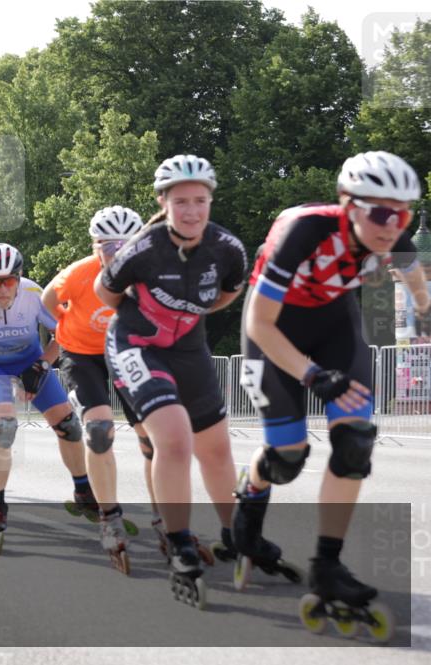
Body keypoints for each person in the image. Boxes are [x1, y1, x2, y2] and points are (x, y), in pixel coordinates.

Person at [241, 151, 427, 635]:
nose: (394, 224)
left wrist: (425, 311)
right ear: (348, 203)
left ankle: (327, 566)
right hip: (274, 332)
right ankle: (253, 486)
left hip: (333, 327)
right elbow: (258, 323)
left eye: (405, 212)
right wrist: (311, 376)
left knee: (356, 439)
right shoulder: (302, 231)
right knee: (287, 458)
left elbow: (415, 280)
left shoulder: (393, 233)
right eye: (383, 212)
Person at [95, 154, 247, 607]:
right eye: (181, 201)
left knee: (217, 449)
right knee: (176, 440)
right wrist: (151, 315)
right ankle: (180, 542)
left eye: (200, 200)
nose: (192, 211)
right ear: (163, 202)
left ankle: (235, 533)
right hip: (137, 344)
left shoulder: (227, 248)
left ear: (210, 201)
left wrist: (186, 315)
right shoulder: (142, 247)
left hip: (190, 348)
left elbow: (228, 292)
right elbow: (107, 292)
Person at [0, 243, 92, 557]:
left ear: (19, 277)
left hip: (31, 361)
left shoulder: (35, 294)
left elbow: (66, 331)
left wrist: (44, 364)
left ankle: (83, 489)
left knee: (69, 425)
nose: (2, 288)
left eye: (9, 280)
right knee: (5, 426)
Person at [42, 206, 147, 564]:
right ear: (94, 246)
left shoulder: (147, 272)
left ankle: (167, 517)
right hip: (81, 353)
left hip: (126, 350)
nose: (115, 253)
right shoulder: (79, 273)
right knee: (99, 431)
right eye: (107, 245)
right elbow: (47, 300)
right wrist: (65, 325)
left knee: (152, 435)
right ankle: (109, 517)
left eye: (125, 245)